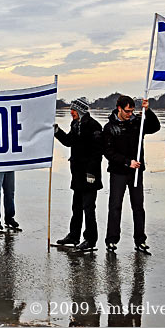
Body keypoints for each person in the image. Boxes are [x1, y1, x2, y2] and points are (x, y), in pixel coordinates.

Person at [102, 95, 160, 252]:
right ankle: (111, 240)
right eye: (127, 111)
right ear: (119, 108)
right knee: (115, 207)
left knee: (138, 207)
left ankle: (140, 240)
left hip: (136, 172)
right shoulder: (109, 127)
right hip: (118, 172)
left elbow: (155, 127)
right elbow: (108, 152)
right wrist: (127, 161)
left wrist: (148, 111)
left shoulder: (137, 123)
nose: (130, 114)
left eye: (132, 111)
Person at [53, 97, 103, 251]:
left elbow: (97, 153)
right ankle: (74, 235)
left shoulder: (94, 126)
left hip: (89, 175)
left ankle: (90, 240)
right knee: (76, 207)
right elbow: (69, 141)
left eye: (73, 110)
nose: (71, 113)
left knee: (89, 208)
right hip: (77, 174)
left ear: (81, 111)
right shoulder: (75, 124)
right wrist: (57, 131)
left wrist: (91, 174)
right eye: (71, 110)